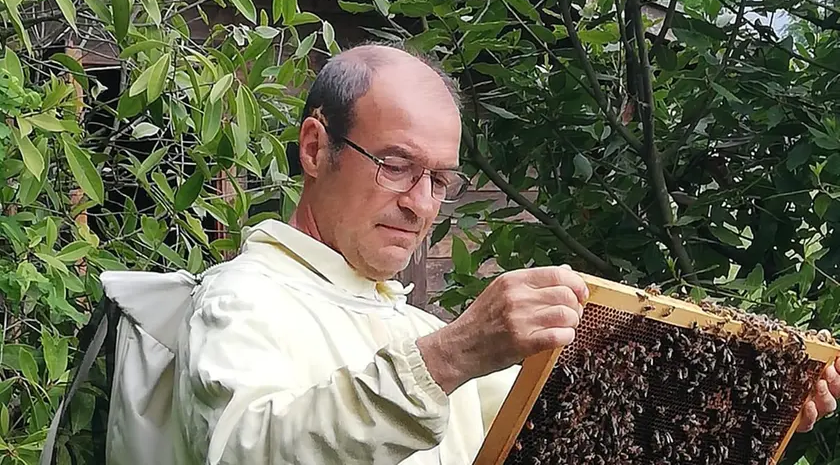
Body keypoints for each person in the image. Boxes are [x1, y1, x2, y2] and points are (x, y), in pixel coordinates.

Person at [169, 42, 840, 464]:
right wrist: (454, 353)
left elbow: (596, 434)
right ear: (316, 148)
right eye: (397, 166)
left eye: (439, 180)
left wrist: (738, 409)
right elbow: (243, 451)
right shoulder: (243, 298)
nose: (421, 204)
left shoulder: (413, 330)